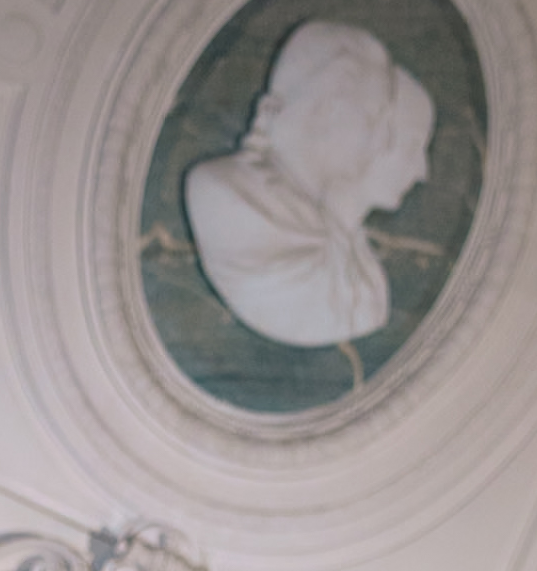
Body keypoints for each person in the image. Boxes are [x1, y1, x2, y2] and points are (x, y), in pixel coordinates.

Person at [185, 20, 435, 346]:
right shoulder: (222, 193)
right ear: (329, 111)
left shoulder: (338, 224)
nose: (378, 144)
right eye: (373, 120)